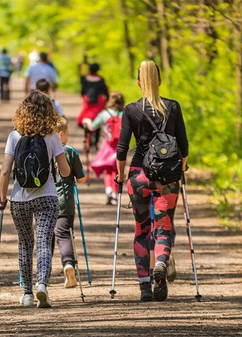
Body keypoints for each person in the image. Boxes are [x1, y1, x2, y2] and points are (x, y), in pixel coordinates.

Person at [116, 60, 188, 302]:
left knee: (141, 230)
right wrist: (182, 167)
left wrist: (120, 174)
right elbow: (183, 145)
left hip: (139, 175)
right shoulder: (174, 107)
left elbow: (122, 148)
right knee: (164, 227)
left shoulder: (131, 110)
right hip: (168, 176)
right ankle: (160, 262)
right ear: (159, 81)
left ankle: (145, 286)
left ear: (138, 83)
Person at [0, 91, 70, 308]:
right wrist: (58, 166)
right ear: (49, 112)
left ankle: (27, 294)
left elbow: (4, 171)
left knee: (25, 243)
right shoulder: (52, 136)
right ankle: (42, 286)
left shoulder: (14, 136)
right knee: (44, 242)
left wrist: (3, 198)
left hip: (19, 199)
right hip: (46, 196)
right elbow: (65, 172)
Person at [53, 118, 86, 288]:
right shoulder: (70, 152)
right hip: (65, 203)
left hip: (46, 200)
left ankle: (43, 274)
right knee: (65, 235)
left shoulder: (45, 151)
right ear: (61, 134)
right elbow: (81, 179)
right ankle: (68, 264)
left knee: (46, 238)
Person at [83, 91, 124, 205]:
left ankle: (108, 191)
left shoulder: (104, 114)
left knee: (108, 171)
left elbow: (92, 127)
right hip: (120, 146)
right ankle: (115, 194)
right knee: (117, 171)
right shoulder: (124, 114)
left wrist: (87, 121)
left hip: (107, 146)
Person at [77, 63, 109, 150]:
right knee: (98, 120)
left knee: (86, 120)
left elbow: (82, 92)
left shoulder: (85, 79)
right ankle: (95, 143)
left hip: (88, 101)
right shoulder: (101, 79)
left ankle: (87, 139)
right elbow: (105, 92)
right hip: (99, 102)